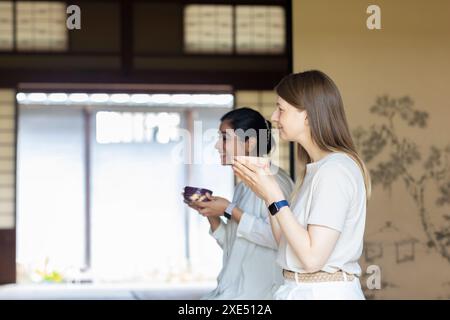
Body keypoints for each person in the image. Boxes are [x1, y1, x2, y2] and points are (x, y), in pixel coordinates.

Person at [233, 71, 371, 300]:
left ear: (307, 115)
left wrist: (275, 195)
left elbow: (311, 258)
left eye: (281, 109)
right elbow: (285, 243)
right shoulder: (315, 169)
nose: (273, 116)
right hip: (299, 290)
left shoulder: (334, 170)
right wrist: (268, 197)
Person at [184, 107, 293, 300]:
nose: (217, 145)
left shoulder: (276, 182)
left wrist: (229, 208)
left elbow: (282, 239)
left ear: (250, 143)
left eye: (225, 138)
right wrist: (212, 213)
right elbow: (233, 244)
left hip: (260, 296)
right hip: (231, 291)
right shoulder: (243, 187)